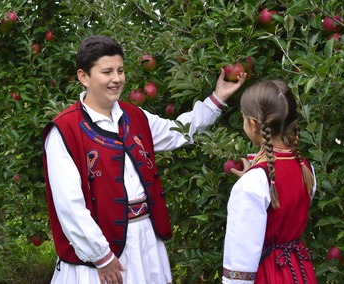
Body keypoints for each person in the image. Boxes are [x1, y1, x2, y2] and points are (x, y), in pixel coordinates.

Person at [42, 35, 246, 284]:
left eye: (120, 70)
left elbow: (178, 133)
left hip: (146, 241)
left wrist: (218, 99)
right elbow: (69, 206)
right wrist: (101, 257)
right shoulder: (64, 130)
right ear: (83, 77)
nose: (116, 79)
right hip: (97, 257)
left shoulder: (135, 117)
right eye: (107, 72)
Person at [222, 79, 317, 284]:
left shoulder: (252, 185)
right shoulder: (305, 168)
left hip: (269, 275)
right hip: (299, 271)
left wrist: (250, 179)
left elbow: (240, 262)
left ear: (253, 125)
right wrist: (252, 174)